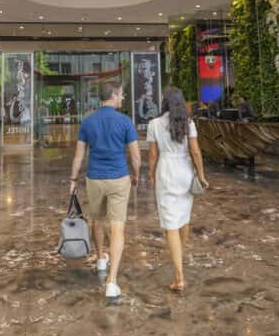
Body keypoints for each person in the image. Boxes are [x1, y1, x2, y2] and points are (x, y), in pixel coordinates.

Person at [69, 83, 141, 299]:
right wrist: (136, 175)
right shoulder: (125, 121)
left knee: (97, 220)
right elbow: (136, 156)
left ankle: (101, 258)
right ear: (113, 95)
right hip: (119, 178)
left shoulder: (88, 121)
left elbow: (79, 156)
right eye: (121, 95)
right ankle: (111, 282)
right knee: (118, 228)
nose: (123, 98)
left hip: (95, 178)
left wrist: (73, 179)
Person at [148, 87, 209, 293]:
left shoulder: (154, 124)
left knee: (170, 224)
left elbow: (153, 155)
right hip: (185, 171)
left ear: (164, 102)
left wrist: (150, 173)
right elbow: (196, 151)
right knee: (183, 217)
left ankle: (179, 277)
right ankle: (178, 263)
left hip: (166, 171)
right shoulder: (188, 123)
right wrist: (200, 176)